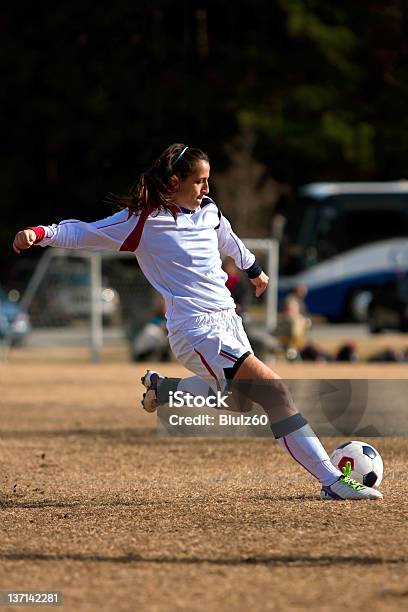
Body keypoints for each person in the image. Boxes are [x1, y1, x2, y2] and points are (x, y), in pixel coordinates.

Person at [12, 143, 381, 500]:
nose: (206, 188)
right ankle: (333, 481)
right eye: (199, 181)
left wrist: (254, 270)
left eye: (207, 181)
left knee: (242, 404)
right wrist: (42, 234)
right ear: (174, 182)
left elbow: (229, 239)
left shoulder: (207, 209)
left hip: (228, 322)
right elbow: (86, 232)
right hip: (196, 330)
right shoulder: (143, 221)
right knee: (276, 391)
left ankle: (166, 389)